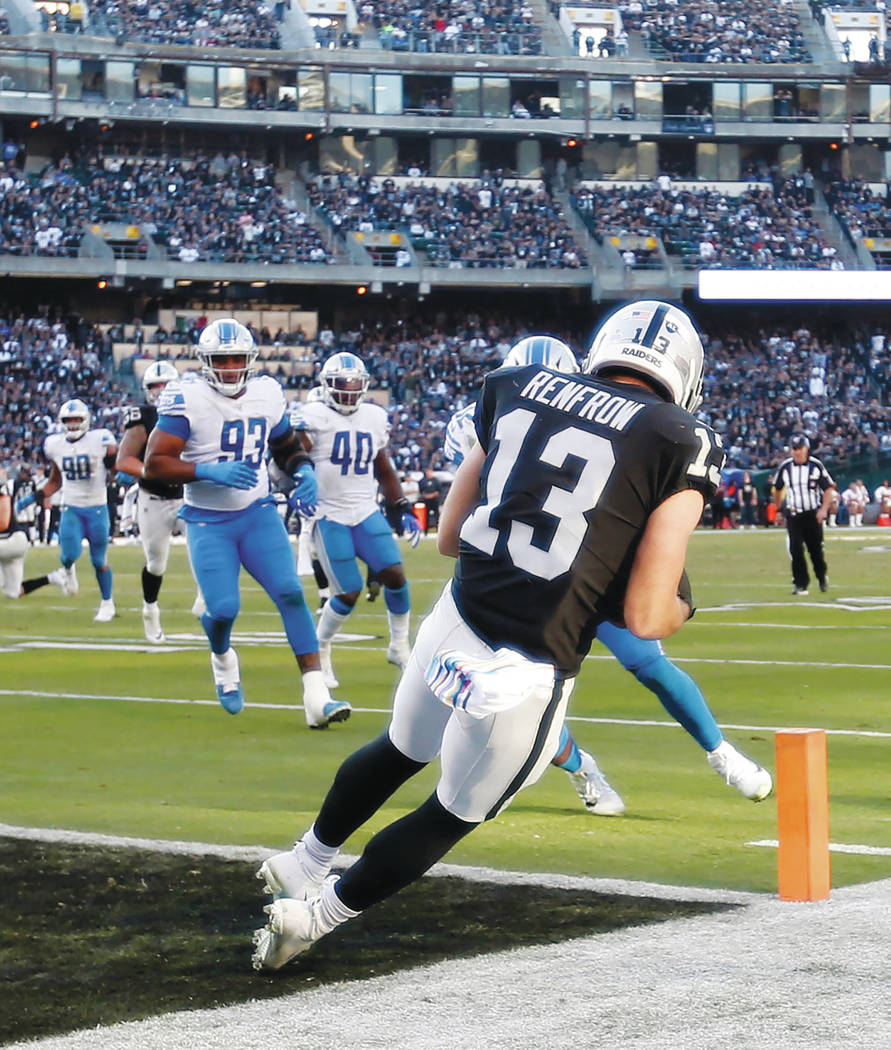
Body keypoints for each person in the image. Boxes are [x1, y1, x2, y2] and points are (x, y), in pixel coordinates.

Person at [252, 300, 731, 971]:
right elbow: (649, 616)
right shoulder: (682, 437)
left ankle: (303, 859)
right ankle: (315, 917)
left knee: (399, 748)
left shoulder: (515, 387)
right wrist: (682, 606)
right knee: (454, 810)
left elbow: (449, 536)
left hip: (458, 614)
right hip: (531, 661)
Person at [444, 333, 770, 813]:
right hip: (530, 579)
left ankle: (721, 753)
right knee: (521, 696)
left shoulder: (609, 417)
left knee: (649, 664)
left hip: (597, 569)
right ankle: (582, 768)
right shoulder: (489, 417)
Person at [143, 318, 351, 728]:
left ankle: (316, 695)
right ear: (205, 362)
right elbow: (154, 463)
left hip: (257, 512)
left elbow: (285, 444)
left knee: (291, 593)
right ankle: (222, 658)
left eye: (239, 358)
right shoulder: (186, 397)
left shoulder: (267, 392)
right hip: (208, 519)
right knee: (222, 610)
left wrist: (304, 472)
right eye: (223, 359)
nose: (232, 366)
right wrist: (207, 472)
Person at [293, 352, 422, 689]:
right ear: (326, 386)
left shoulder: (374, 417)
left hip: (365, 509)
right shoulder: (313, 416)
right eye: (341, 385)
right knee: (348, 591)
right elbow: (294, 457)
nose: (348, 391)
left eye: (354, 385)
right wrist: (295, 482)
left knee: (394, 574)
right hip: (328, 512)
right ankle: (321, 647)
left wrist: (402, 505)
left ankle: (398, 646)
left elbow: (383, 468)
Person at [116, 360, 203, 643]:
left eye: (165, 384)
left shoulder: (191, 412)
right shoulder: (144, 416)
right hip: (153, 497)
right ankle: (150, 609)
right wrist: (148, 470)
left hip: (187, 495)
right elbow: (123, 459)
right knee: (156, 563)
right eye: (155, 386)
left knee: (204, 545)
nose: (160, 391)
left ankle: (206, 595)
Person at [42, 399, 118, 622]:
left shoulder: (101, 439)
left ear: (86, 420)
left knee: (99, 560)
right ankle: (68, 570)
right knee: (68, 554)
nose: (73, 424)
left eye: (77, 420)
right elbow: (55, 480)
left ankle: (107, 602)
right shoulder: (55, 445)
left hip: (97, 508)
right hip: (71, 507)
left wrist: (117, 465)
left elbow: (115, 461)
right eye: (68, 420)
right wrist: (36, 496)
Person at [0, 457, 70, 601]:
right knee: (13, 593)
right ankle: (54, 577)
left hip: (13, 540)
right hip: (0, 542)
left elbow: (2, 523)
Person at [773, 435, 837, 595]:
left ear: (806, 449)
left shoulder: (816, 465)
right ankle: (801, 584)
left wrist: (823, 509)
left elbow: (829, 488)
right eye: (794, 449)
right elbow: (778, 488)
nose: (796, 452)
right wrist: (779, 509)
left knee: (815, 550)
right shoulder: (785, 467)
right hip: (794, 514)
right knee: (795, 548)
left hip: (812, 514)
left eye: (799, 449)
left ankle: (821, 577)